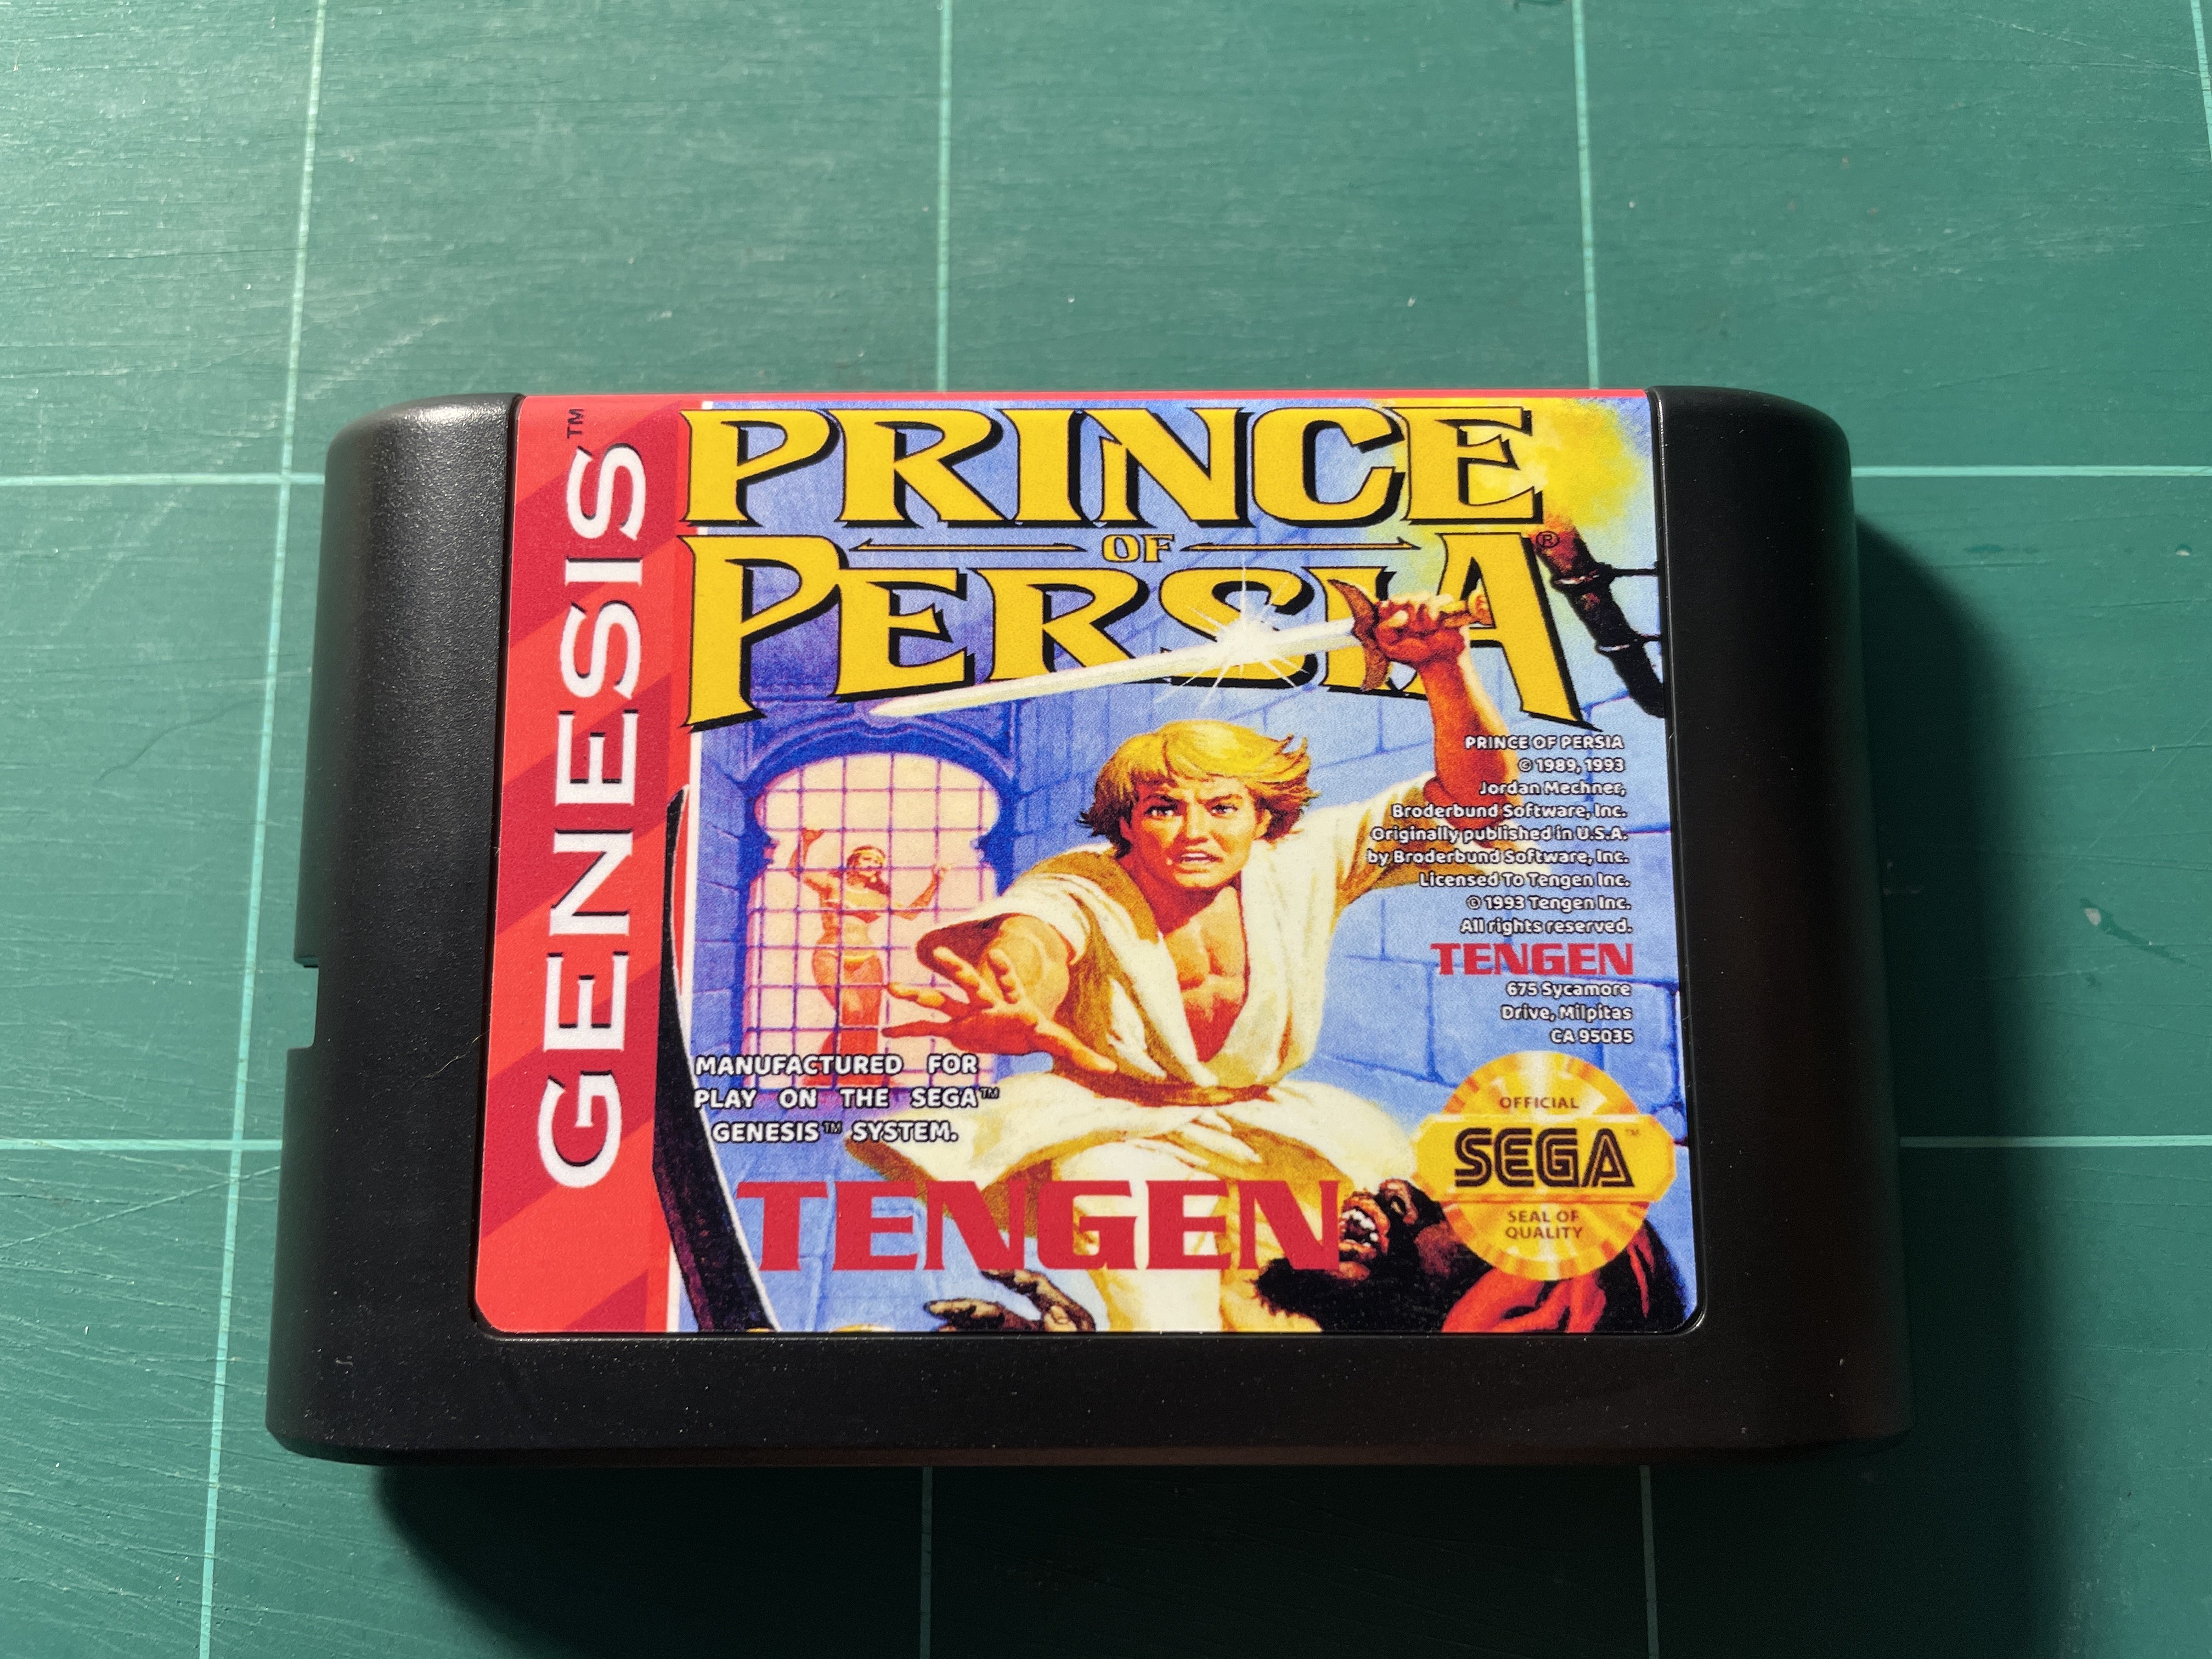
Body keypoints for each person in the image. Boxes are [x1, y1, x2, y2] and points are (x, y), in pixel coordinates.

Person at [862, 595, 1515, 1330]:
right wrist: (1017, 999)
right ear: (1127, 822)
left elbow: (1478, 806)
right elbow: (1038, 939)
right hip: (1121, 1134)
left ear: (1263, 816)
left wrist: (1445, 668)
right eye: (1164, 809)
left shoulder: (1305, 859)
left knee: (1311, 1324)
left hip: (1272, 1130)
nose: (1193, 833)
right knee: (1167, 1328)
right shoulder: (1082, 881)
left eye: (1222, 807)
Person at [788, 832, 942, 1055]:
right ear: (854, 861)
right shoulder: (832, 885)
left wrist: (935, 883)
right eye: (867, 859)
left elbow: (911, 913)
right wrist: (807, 840)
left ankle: (863, 1069)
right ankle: (825, 1065)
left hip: (868, 960)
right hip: (831, 956)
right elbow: (796, 870)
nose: (873, 864)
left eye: (878, 862)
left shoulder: (877, 898)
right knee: (852, 1013)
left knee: (868, 1022)